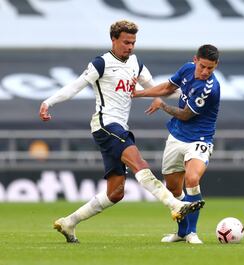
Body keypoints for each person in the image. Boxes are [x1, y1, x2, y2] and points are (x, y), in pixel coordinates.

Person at [38, 20, 204, 243]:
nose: (130, 47)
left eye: (133, 42)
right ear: (114, 40)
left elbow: (157, 88)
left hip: (120, 127)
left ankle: (69, 222)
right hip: (106, 125)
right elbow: (75, 86)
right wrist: (48, 102)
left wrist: (186, 94)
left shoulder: (136, 63)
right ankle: (175, 205)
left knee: (115, 193)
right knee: (140, 163)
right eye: (126, 42)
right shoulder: (101, 63)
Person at [132, 44, 220, 244]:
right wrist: (137, 93)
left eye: (211, 68)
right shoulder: (187, 68)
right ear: (195, 60)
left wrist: (162, 105)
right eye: (203, 66)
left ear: (216, 66)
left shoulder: (209, 88)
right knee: (173, 188)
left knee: (192, 178)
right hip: (177, 136)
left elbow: (186, 115)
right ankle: (181, 232)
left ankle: (192, 232)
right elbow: (167, 87)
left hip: (199, 139)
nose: (206, 72)